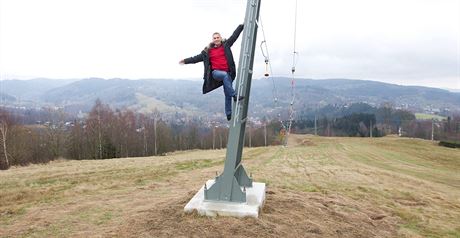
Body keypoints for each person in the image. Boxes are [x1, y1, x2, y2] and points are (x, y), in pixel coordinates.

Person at [179, 24, 245, 121]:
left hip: (228, 73)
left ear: (221, 38)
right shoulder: (208, 51)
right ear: (212, 40)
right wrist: (185, 61)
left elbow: (234, 36)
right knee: (225, 77)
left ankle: (228, 113)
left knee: (227, 92)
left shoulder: (226, 45)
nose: (216, 39)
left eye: (218, 37)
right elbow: (196, 58)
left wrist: (241, 26)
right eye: (215, 38)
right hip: (216, 73)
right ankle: (235, 95)